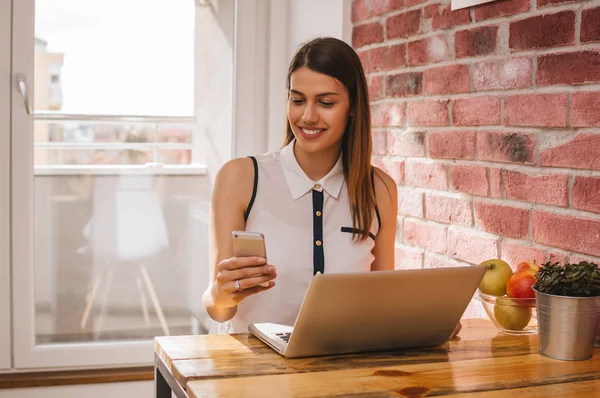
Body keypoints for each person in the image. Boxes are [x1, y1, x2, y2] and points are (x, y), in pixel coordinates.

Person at [202, 37, 460, 338]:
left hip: (343, 372)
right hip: (257, 375)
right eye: (297, 100)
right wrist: (221, 294)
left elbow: (380, 302)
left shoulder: (379, 190)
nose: (307, 116)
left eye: (325, 103)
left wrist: (427, 320)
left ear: (352, 107)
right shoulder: (240, 177)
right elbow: (217, 309)